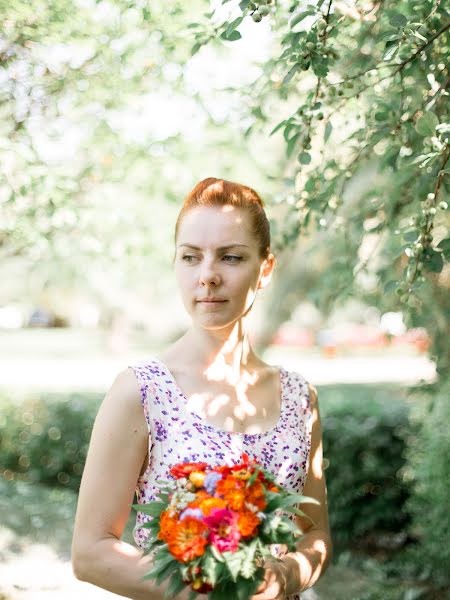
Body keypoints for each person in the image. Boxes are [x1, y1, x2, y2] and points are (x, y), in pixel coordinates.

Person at [71, 177, 332, 600]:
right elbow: (90, 553)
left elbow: (315, 533)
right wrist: (213, 593)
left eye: (230, 257)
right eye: (191, 257)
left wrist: (284, 577)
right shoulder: (141, 392)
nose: (207, 276)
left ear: (265, 269)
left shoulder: (300, 398)